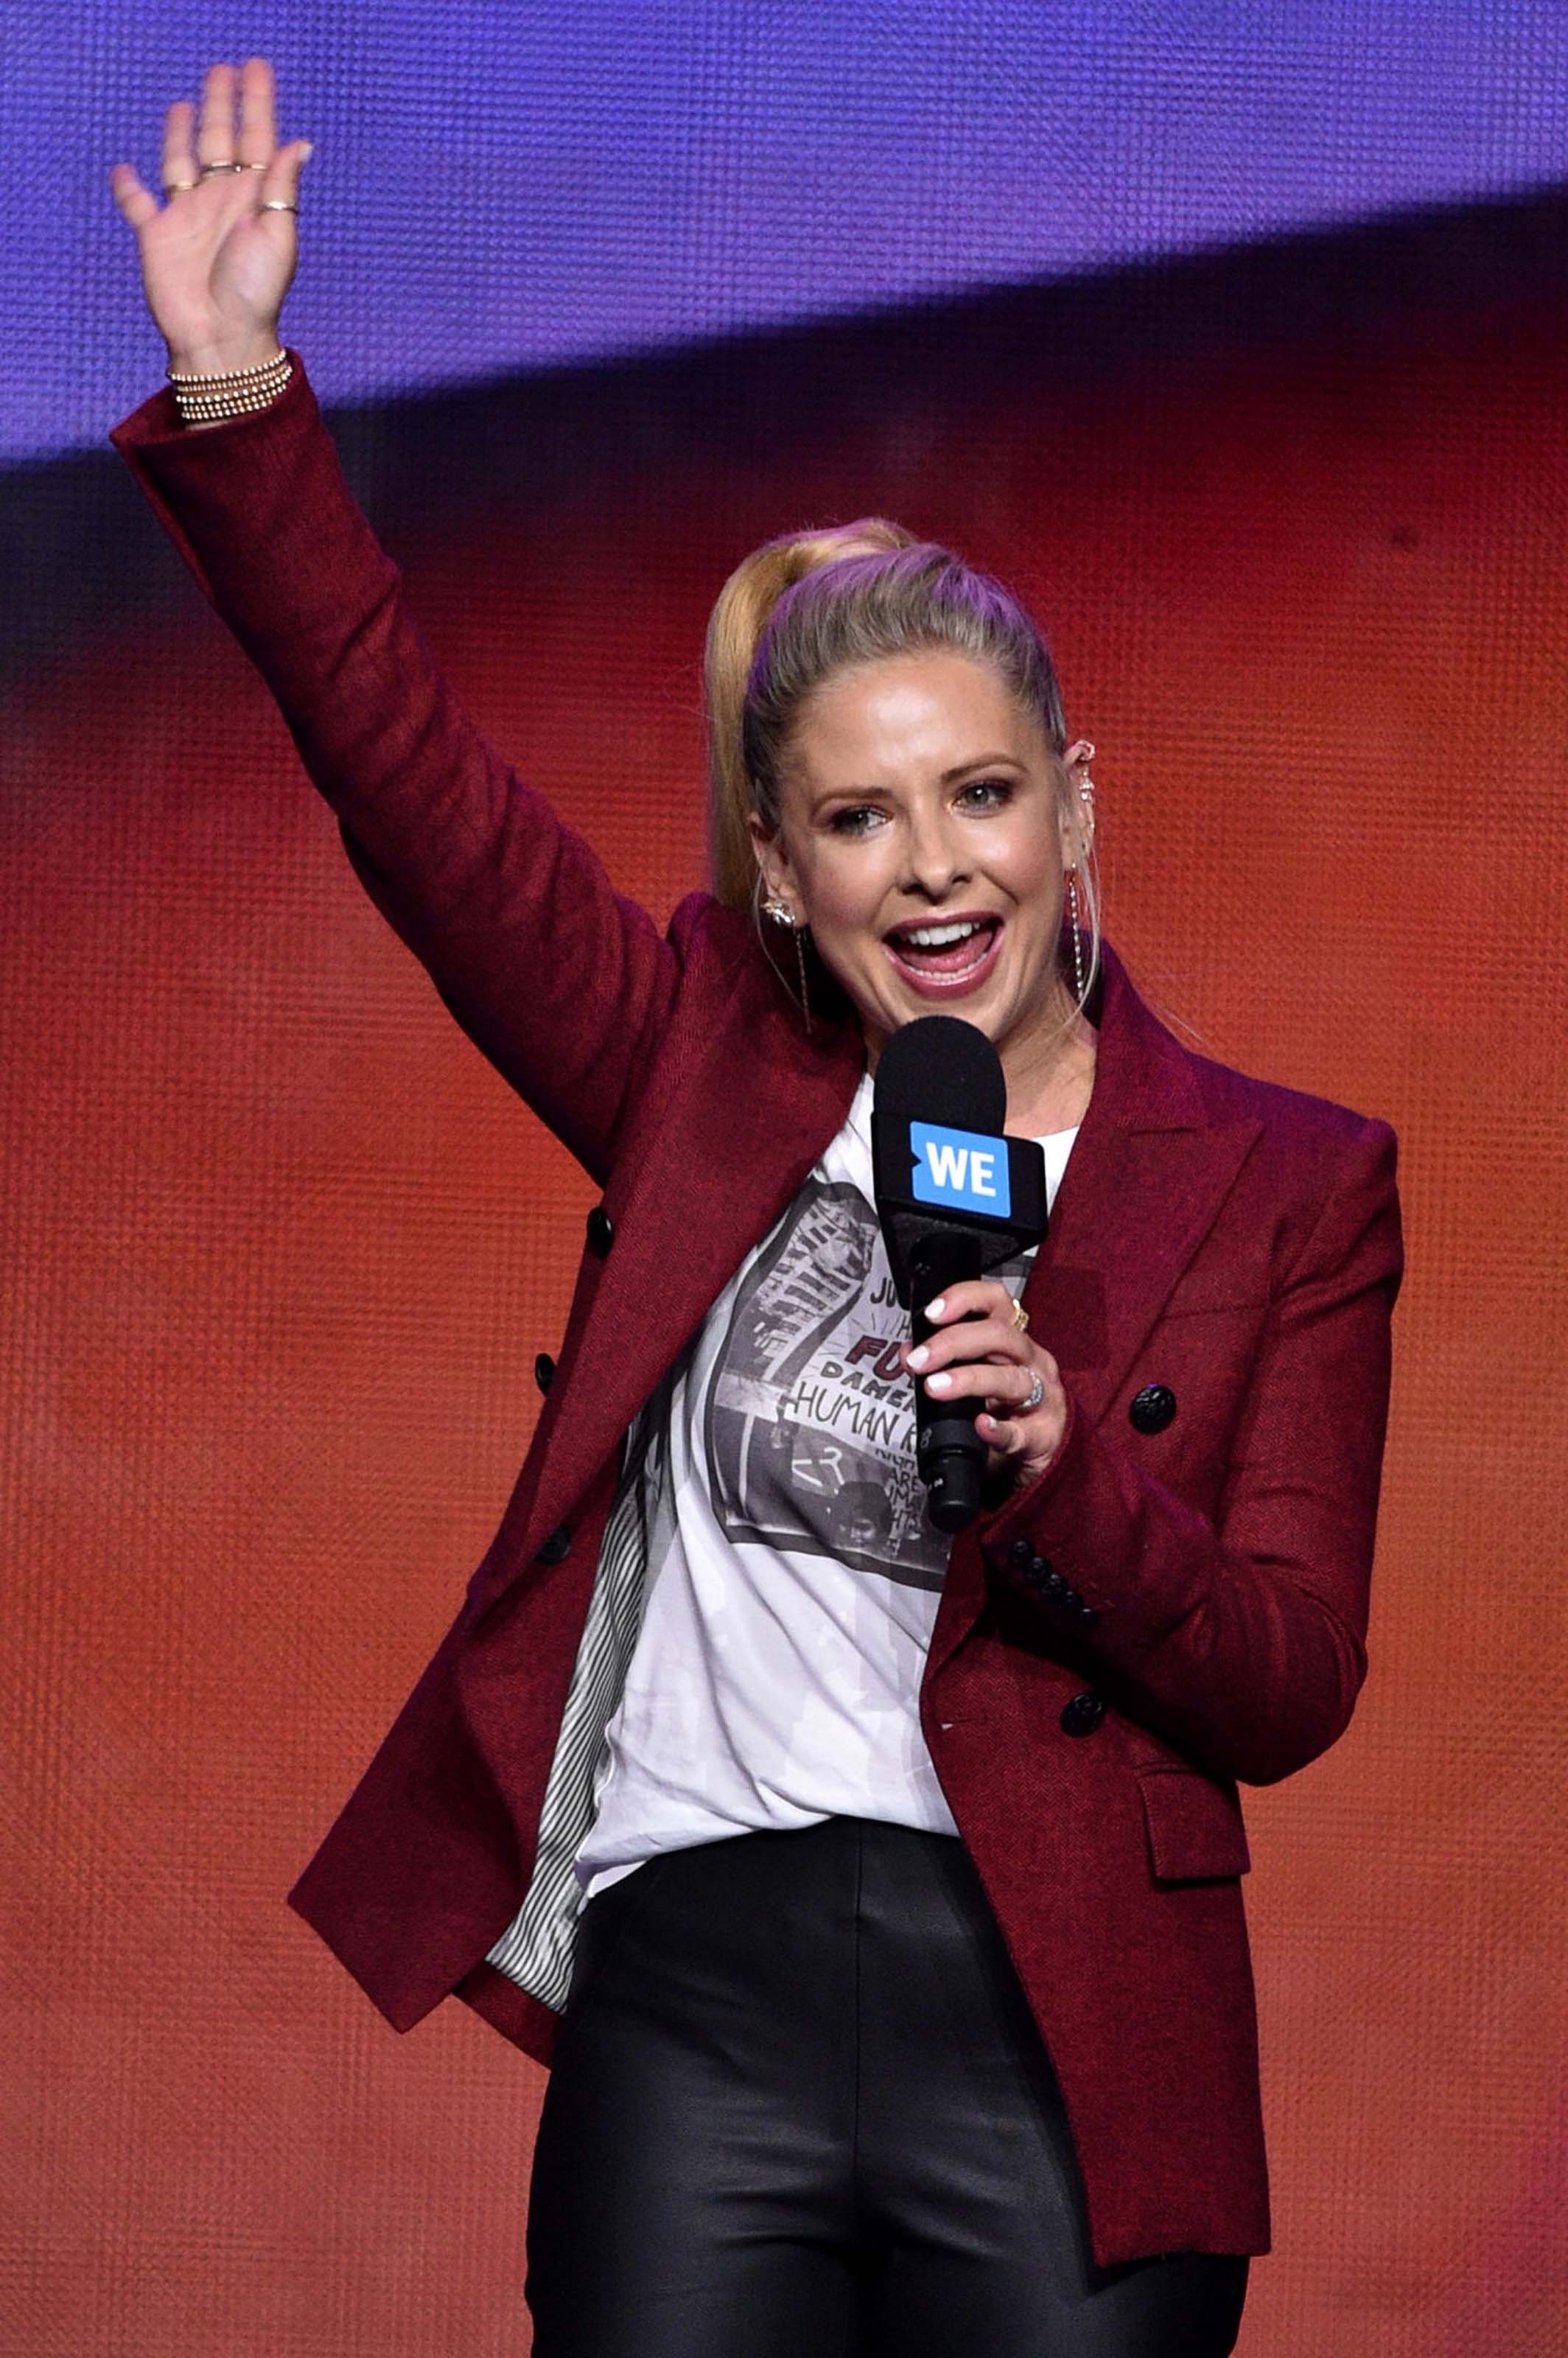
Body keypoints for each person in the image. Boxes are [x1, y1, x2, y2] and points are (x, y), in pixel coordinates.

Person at [110, 60, 1403, 2358]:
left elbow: (1290, 1683)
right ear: (786, 877)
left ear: (1073, 806)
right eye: (863, 824)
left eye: (985, 796)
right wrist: (239, 385)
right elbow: (413, 789)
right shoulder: (692, 1056)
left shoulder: (1294, 1183)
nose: (936, 869)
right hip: (698, 2008)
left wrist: (1065, 1466)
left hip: (1070, 2032)